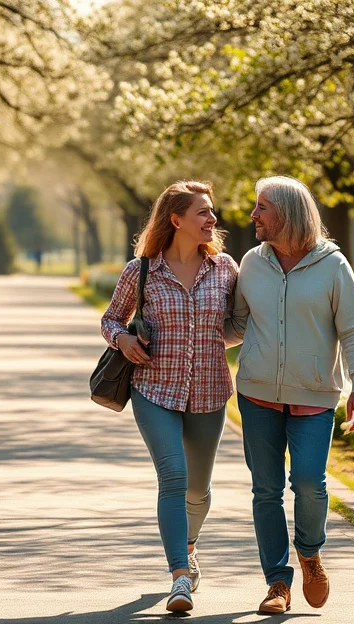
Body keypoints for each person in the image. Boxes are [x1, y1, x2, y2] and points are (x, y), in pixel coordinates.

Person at [225, 175, 354, 614]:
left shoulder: (333, 266)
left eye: (262, 207)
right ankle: (277, 583)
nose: (253, 215)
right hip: (256, 395)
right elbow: (236, 325)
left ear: (286, 213)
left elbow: (353, 331)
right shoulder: (251, 262)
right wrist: (185, 332)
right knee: (265, 490)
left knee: (309, 483)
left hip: (314, 398)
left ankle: (309, 552)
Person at [101, 181, 238, 613]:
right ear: (176, 220)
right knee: (174, 478)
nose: (212, 220)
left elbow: (242, 323)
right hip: (154, 389)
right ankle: (179, 576)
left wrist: (220, 338)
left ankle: (190, 545)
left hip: (210, 391)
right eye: (203, 212)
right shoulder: (140, 271)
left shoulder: (226, 269)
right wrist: (122, 339)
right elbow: (110, 320)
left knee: (198, 488)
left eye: (211, 212)